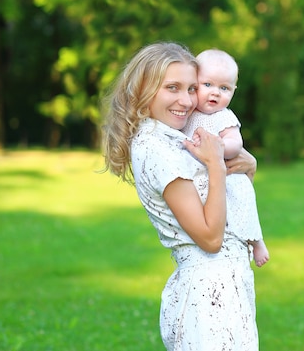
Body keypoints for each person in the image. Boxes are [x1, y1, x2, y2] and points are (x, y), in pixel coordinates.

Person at [102, 42, 259, 351]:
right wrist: (216, 162)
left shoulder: (175, 139)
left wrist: (246, 163)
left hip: (227, 286)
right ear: (143, 90)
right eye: (172, 87)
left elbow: (228, 191)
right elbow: (210, 238)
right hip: (208, 296)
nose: (186, 101)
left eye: (191, 88)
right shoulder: (157, 150)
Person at [182, 48, 269, 267]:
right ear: (194, 84)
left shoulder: (224, 117)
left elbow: (236, 143)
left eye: (224, 88)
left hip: (230, 179)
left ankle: (256, 241)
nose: (215, 93)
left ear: (233, 91)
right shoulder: (188, 113)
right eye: (208, 85)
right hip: (204, 178)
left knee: (242, 207)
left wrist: (220, 147)